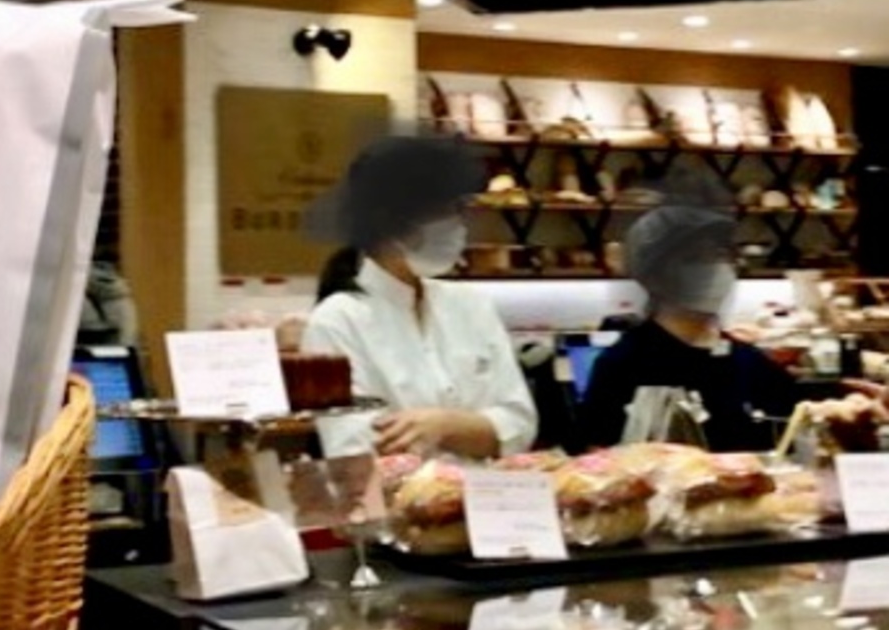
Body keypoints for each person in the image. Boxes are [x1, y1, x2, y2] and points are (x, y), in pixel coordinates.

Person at [301, 133, 538, 460]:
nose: (454, 226)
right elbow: (355, 451)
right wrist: (477, 428)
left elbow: (520, 425)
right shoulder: (335, 323)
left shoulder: (471, 305)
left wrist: (446, 426)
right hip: (395, 496)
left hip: (491, 492)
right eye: (437, 212)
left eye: (457, 210)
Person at [580, 203, 798, 452]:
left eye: (722, 258)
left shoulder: (749, 361)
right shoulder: (623, 364)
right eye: (695, 260)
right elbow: (597, 458)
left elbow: (794, 439)